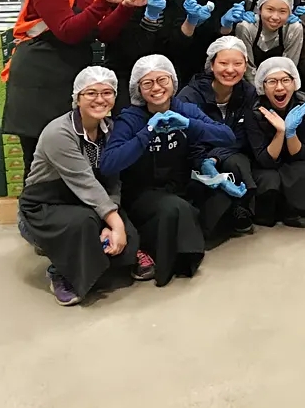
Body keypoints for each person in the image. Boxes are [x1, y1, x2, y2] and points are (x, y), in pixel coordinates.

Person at [100, 56, 243, 286]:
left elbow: (227, 136)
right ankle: (164, 250)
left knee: (220, 198)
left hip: (180, 185)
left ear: (173, 81)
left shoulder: (184, 109)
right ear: (138, 89)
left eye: (162, 80)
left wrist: (189, 125)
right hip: (143, 193)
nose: (156, 88)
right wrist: (146, 133)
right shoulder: (130, 119)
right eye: (147, 83)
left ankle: (183, 235)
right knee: (175, 208)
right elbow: (109, 163)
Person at [18, 67, 152, 306]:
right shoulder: (59, 133)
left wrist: (114, 216)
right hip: (46, 203)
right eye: (91, 93)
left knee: (126, 238)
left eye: (107, 93)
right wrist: (114, 223)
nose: (100, 99)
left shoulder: (111, 130)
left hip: (87, 199)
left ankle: (98, 250)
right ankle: (60, 271)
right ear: (77, 97)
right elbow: (85, 182)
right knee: (85, 224)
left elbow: (112, 179)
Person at [3, 0, 128, 172]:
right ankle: (35, 210)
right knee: (40, 155)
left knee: (73, 148)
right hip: (40, 70)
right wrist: (104, 4)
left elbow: (102, 33)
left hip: (73, 70)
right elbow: (66, 31)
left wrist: (126, 9)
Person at [177, 37, 258, 235]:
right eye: (223, 63)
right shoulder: (189, 95)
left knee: (237, 161)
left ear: (245, 65)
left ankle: (242, 207)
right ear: (211, 65)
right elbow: (188, 138)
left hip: (230, 154)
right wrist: (204, 161)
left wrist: (215, 158)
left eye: (237, 63)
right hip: (194, 159)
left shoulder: (248, 93)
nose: (230, 69)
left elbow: (241, 137)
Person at [98, 0, 178, 112]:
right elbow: (126, 50)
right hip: (125, 79)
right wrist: (149, 19)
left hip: (161, 83)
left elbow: (173, 46)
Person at [246, 58, 305, 228]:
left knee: (303, 170)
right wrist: (280, 132)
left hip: (295, 160)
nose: (279, 87)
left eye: (286, 80)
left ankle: (296, 211)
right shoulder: (254, 111)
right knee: (269, 179)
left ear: (295, 83)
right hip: (266, 165)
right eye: (272, 81)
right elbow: (265, 160)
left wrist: (290, 132)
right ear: (262, 86)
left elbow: (301, 154)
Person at [166, 0, 251, 86]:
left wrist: (226, 25)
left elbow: (225, 45)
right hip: (183, 63)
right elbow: (175, 46)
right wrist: (191, 21)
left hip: (218, 65)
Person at [232, 0, 304, 85]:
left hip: (281, 85)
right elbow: (247, 68)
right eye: (270, 9)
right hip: (250, 85)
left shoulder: (293, 28)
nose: (275, 17)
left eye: (282, 11)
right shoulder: (246, 27)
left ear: (290, 12)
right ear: (260, 9)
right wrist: (261, 89)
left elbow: (290, 66)